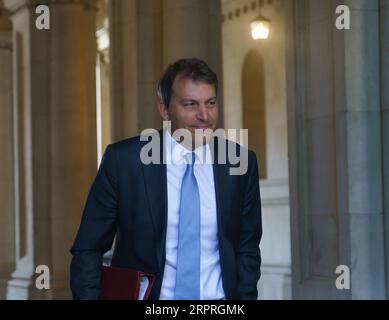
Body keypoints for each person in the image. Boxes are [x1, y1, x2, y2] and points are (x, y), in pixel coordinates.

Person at [70, 58, 262, 300]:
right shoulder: (125, 161)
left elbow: (247, 248)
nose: (205, 115)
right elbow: (89, 247)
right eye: (190, 104)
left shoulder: (240, 163)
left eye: (211, 103)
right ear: (164, 109)